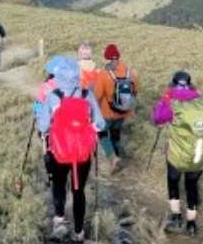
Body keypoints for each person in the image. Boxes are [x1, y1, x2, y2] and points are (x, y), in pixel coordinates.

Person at [37, 56, 105, 243]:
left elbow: (43, 127)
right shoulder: (86, 95)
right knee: (78, 191)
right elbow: (100, 123)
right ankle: (79, 232)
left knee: (58, 186)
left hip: (58, 152)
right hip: (82, 154)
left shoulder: (53, 96)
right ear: (77, 75)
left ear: (59, 76)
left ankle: (59, 220)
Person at [152, 71, 203, 237]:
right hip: (199, 153)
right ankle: (192, 225)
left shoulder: (172, 101)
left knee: (173, 182)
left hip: (178, 154)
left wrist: (165, 98)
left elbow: (158, 118)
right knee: (192, 186)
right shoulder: (201, 100)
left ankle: (176, 218)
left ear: (173, 84)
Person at [93, 43, 140, 174]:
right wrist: (126, 103)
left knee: (102, 133)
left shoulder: (104, 74)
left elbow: (97, 95)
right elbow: (136, 90)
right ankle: (117, 156)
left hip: (107, 112)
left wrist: (93, 109)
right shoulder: (129, 72)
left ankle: (112, 157)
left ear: (107, 58)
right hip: (123, 111)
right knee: (115, 134)